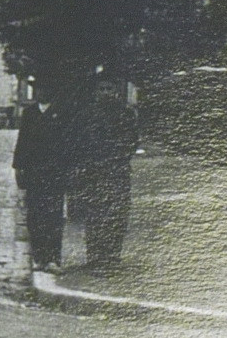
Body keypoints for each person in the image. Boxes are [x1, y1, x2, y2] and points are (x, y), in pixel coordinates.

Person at [73, 79, 138, 268]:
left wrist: (118, 157)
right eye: (101, 89)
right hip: (93, 171)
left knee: (117, 212)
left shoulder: (125, 114)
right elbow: (80, 141)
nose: (105, 92)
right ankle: (95, 255)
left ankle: (112, 255)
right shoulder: (88, 114)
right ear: (96, 92)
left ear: (116, 91)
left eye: (109, 88)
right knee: (94, 212)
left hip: (117, 170)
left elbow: (132, 140)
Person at [12, 92, 65, 271]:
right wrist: (18, 166)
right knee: (34, 215)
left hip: (55, 172)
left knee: (54, 215)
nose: (42, 92)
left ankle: (53, 258)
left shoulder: (61, 112)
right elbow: (22, 141)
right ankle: (39, 257)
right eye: (39, 88)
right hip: (34, 171)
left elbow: (68, 142)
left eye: (47, 88)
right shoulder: (29, 113)